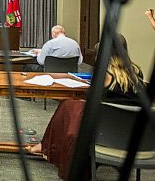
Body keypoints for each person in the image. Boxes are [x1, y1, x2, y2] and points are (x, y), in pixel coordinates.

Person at [28, 34, 144, 179]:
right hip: (134, 136)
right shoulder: (137, 72)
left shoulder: (105, 75)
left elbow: (92, 99)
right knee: (72, 106)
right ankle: (45, 145)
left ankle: (47, 146)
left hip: (104, 134)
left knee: (69, 106)